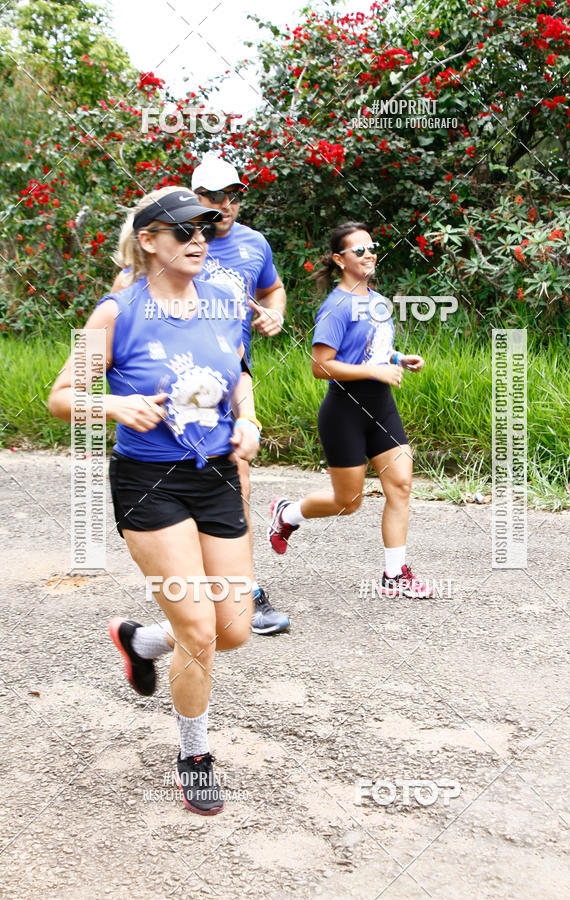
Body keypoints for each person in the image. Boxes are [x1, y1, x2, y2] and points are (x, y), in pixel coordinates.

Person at [49, 186, 260, 815]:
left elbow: (239, 375)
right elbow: (61, 396)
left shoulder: (225, 299)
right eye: (183, 230)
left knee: (233, 628)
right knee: (198, 628)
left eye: (206, 229)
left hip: (217, 473)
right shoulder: (118, 312)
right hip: (149, 480)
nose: (199, 239)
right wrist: (115, 405)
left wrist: (249, 420)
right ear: (148, 240)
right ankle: (195, 754)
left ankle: (141, 642)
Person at [111, 154, 290, 636]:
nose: (224, 205)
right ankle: (204, 601)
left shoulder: (251, 247)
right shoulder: (132, 289)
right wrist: (118, 400)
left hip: (226, 381)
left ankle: (231, 597)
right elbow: (118, 327)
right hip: (163, 416)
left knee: (237, 478)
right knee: (199, 619)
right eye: (212, 197)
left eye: (233, 195)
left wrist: (274, 314)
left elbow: (272, 292)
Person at [268, 221, 434, 599]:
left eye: (371, 247)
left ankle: (395, 576)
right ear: (340, 260)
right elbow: (320, 366)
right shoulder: (336, 307)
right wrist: (375, 371)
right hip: (345, 412)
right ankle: (288, 514)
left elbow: (371, 350)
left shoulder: (377, 301)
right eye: (358, 250)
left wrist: (398, 359)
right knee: (348, 502)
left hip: (382, 408)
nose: (368, 254)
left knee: (401, 486)